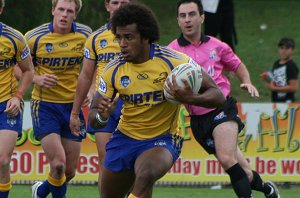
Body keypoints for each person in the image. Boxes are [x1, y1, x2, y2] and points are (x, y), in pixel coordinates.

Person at [88, 3, 226, 198]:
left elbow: (218, 96)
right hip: (125, 138)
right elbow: (93, 115)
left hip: (163, 138)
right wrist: (102, 116)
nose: (122, 44)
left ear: (145, 37)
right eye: (119, 37)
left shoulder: (174, 62)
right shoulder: (113, 69)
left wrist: (191, 98)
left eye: (129, 37)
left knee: (145, 176)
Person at [168, 0, 280, 198]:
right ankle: (268, 190)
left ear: (202, 17)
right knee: (243, 171)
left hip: (221, 109)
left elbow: (237, 65)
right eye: (183, 16)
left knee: (226, 158)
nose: (188, 20)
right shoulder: (171, 52)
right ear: (177, 20)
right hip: (198, 120)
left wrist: (247, 81)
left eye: (192, 14)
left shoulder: (217, 46)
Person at [25, 0, 92, 197]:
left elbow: (95, 64)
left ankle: (41, 190)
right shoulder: (34, 38)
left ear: (75, 14)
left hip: (73, 107)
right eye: (60, 9)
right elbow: (16, 68)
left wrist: (91, 90)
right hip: (44, 106)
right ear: (53, 10)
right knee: (59, 163)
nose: (64, 14)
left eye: (69, 11)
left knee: (68, 171)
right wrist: (37, 78)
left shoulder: (85, 35)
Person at [69, 0, 132, 194]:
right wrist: (74, 112)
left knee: (131, 161)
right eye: (115, 2)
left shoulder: (140, 35)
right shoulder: (96, 38)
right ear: (107, 6)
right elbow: (86, 75)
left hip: (131, 105)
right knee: (106, 160)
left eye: (124, 2)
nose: (119, 6)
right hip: (102, 104)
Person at [0, 1, 34, 197]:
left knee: (3, 160)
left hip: (7, 105)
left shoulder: (14, 38)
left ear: (1, 10)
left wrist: (18, 95)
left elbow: (29, 71)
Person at [265, 37, 299, 103]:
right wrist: (268, 82)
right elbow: (274, 80)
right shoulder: (276, 63)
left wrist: (274, 88)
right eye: (282, 48)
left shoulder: (291, 66)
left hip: (287, 102)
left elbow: (293, 87)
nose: (283, 51)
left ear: (292, 50)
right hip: (275, 101)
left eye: (287, 48)